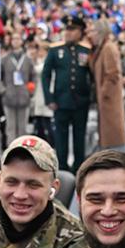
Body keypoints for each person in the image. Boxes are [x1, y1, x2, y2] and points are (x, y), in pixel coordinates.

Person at [43, 16, 95, 171]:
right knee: (61, 139)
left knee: (80, 137)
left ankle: (80, 168)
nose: (68, 33)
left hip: (81, 101)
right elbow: (45, 75)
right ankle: (63, 169)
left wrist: (90, 96)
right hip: (61, 101)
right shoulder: (55, 49)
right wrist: (49, 98)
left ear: (80, 32)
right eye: (67, 29)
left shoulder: (86, 50)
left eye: (73, 30)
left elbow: (92, 75)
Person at [88, 18, 125, 153]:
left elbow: (113, 74)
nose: (90, 34)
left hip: (109, 100)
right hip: (106, 100)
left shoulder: (109, 48)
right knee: (108, 135)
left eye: (93, 31)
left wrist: (104, 93)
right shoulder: (102, 48)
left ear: (101, 31)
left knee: (113, 136)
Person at [0, 31, 35, 143]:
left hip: (24, 97)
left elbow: (33, 77)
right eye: (14, 39)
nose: (16, 41)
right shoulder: (4, 59)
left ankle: (23, 151)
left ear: (22, 41)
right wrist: (3, 90)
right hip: (9, 97)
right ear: (11, 41)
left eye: (18, 39)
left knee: (23, 128)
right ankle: (11, 151)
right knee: (10, 127)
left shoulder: (28, 60)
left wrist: (30, 91)